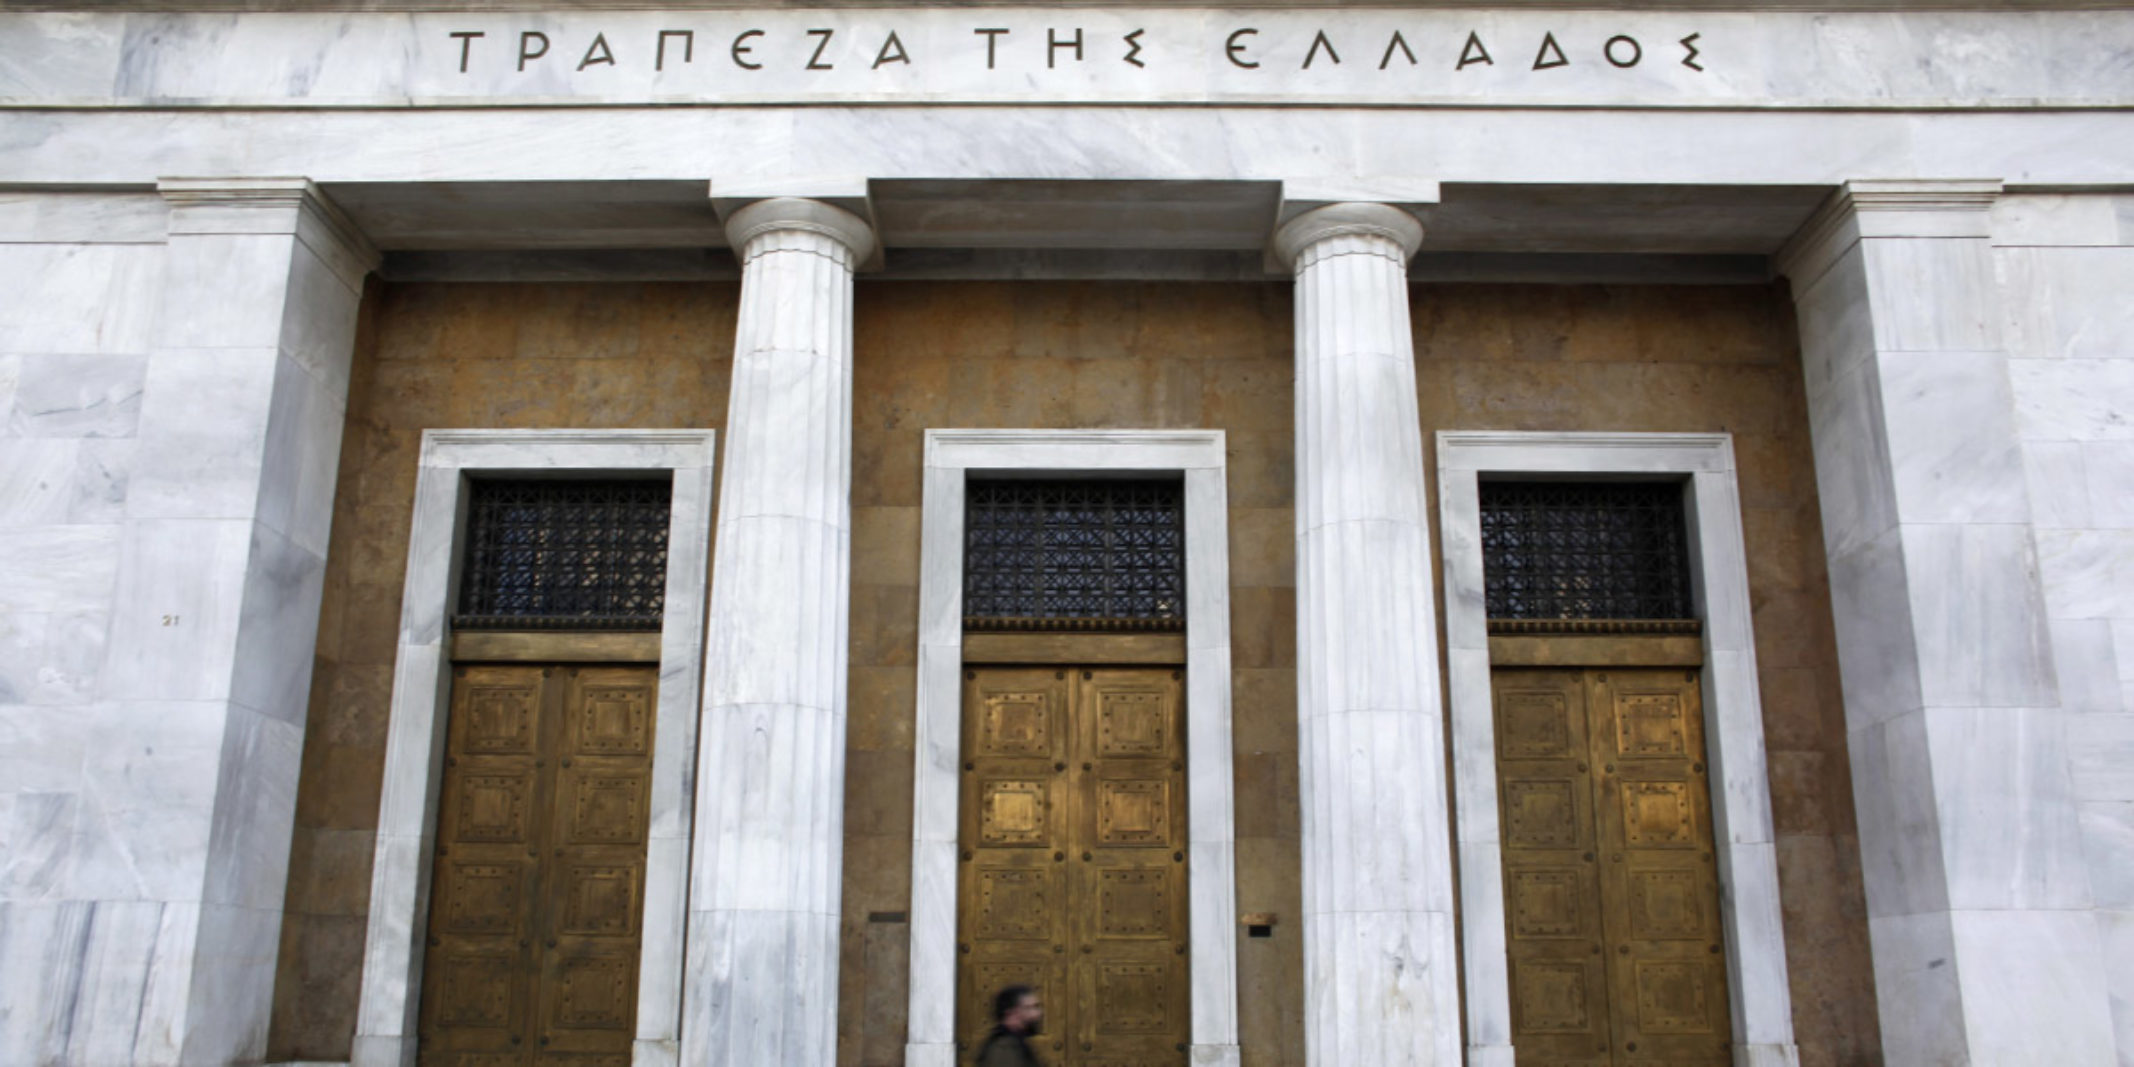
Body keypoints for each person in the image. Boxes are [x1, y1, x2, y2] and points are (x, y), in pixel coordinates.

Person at [975, 984, 1044, 1066]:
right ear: (1011, 1013)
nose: (1038, 1013)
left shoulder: (1016, 1043)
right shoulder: (1004, 1048)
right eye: (1029, 1008)